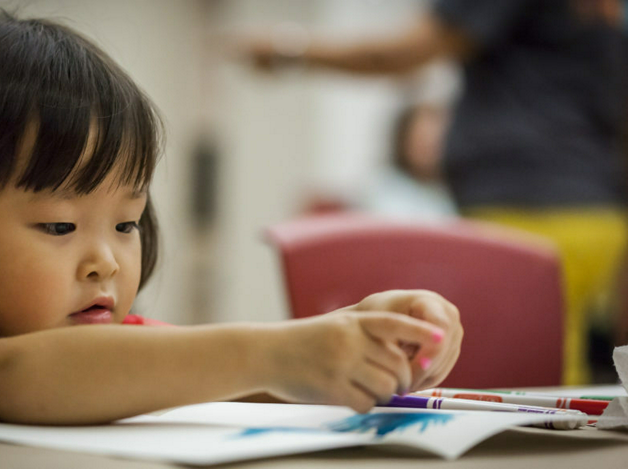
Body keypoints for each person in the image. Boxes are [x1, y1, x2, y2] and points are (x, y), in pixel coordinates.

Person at [0, 9, 462, 423]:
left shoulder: (114, 341)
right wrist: (286, 351)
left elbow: (236, 377)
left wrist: (368, 339)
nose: (106, 259)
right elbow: (17, 380)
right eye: (58, 226)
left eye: (126, 224)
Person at [243, 0, 628, 385]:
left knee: (523, 376)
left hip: (525, 212)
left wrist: (287, 50)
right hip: (598, 217)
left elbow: (400, 53)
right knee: (562, 365)